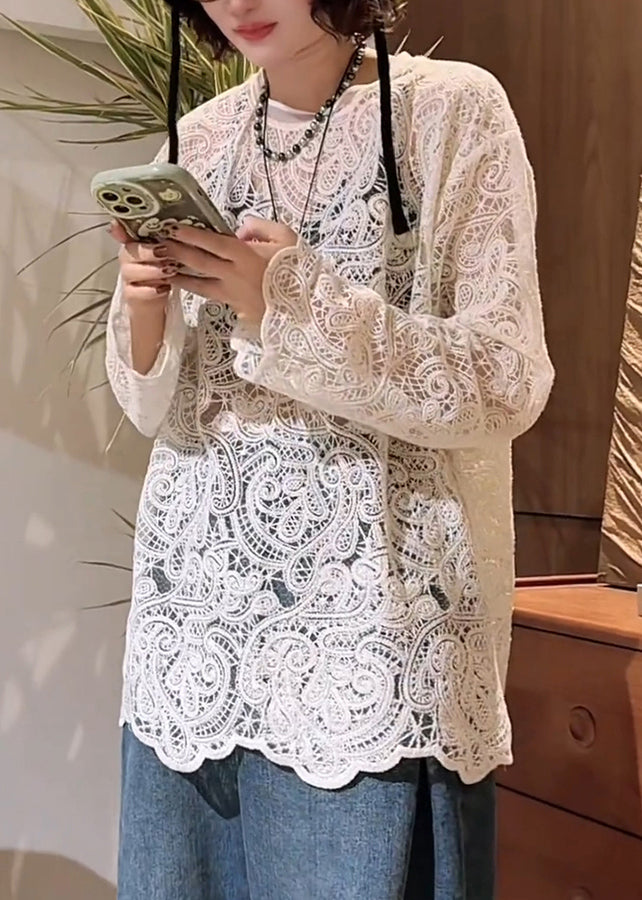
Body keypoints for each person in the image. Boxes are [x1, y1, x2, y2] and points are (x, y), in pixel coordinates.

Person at [106, 1, 554, 897]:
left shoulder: (451, 111)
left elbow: (506, 378)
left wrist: (290, 302)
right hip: (189, 643)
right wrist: (146, 308)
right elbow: (154, 405)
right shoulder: (199, 139)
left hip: (367, 657)